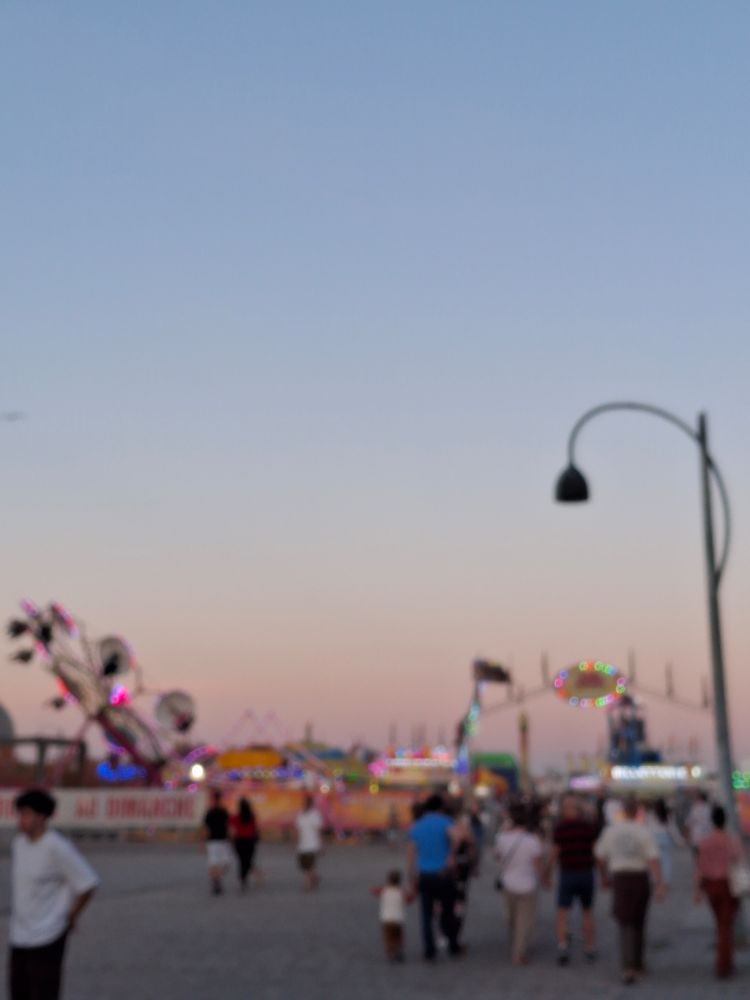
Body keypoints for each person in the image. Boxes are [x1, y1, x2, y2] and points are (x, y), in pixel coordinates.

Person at [9, 787, 98, 1000]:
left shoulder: (58, 847)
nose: (22, 819)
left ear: (42, 816)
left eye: (27, 814)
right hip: (19, 935)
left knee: (44, 992)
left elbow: (88, 883)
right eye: (20, 814)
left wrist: (72, 915)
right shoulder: (19, 844)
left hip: (48, 935)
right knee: (18, 991)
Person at [594, 796, 666, 985]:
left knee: (624, 922)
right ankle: (637, 963)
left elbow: (600, 856)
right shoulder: (643, 831)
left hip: (620, 878)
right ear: (637, 812)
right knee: (639, 921)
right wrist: (659, 883)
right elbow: (653, 859)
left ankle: (628, 966)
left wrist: (603, 877)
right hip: (639, 878)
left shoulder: (611, 831)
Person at [406, 793, 462, 961]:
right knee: (448, 911)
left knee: (426, 914)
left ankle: (429, 949)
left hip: (425, 874)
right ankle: (452, 944)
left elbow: (411, 854)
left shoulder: (417, 826)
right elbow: (457, 837)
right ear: (440, 807)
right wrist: (451, 855)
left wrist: (411, 875)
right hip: (444, 874)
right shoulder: (445, 822)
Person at [549, 793, 599, 965]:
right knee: (587, 912)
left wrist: (546, 873)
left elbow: (554, 854)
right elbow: (596, 853)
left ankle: (563, 946)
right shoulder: (588, 828)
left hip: (568, 874)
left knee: (563, 913)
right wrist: (604, 874)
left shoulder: (560, 829)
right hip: (586, 873)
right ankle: (590, 947)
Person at [694, 804, 742, 979]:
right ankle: (724, 965)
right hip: (728, 885)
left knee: (720, 925)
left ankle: (725, 962)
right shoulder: (731, 841)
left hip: (711, 886)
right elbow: (739, 861)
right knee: (725, 927)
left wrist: (697, 891)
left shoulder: (704, 843)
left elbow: (700, 868)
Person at [494, 801, 545, 966]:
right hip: (528, 884)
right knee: (525, 920)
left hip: (508, 883)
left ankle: (517, 945)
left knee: (512, 918)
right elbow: (537, 864)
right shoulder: (532, 840)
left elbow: (498, 858)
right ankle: (519, 952)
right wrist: (544, 878)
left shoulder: (501, 838)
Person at [370, 869, 409, 962]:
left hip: (386, 919)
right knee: (398, 936)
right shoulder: (401, 892)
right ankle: (399, 951)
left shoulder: (384, 890)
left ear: (388, 880)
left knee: (388, 938)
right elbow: (408, 899)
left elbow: (373, 891)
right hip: (398, 920)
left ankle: (390, 953)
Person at [647, 799, 683, 887]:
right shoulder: (668, 815)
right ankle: (666, 881)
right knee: (666, 861)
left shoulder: (651, 815)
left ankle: (654, 880)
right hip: (665, 839)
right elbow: (673, 829)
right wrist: (679, 841)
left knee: (654, 861)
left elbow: (647, 829)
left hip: (654, 840)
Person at [203, 789, 232, 895]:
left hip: (212, 841)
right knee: (223, 863)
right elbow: (227, 827)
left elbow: (206, 829)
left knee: (214, 862)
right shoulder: (223, 812)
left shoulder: (210, 812)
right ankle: (217, 880)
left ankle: (216, 880)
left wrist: (203, 842)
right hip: (222, 840)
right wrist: (229, 838)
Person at [230, 797, 260, 891]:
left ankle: (243, 879)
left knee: (242, 862)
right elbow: (255, 829)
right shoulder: (251, 816)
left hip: (239, 842)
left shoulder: (235, 817)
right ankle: (245, 879)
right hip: (249, 842)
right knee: (247, 861)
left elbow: (232, 831)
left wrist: (231, 841)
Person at [296, 794, 324, 891]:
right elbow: (299, 830)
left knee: (309, 866)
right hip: (302, 845)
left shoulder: (314, 815)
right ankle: (314, 877)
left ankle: (307, 885)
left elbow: (318, 830)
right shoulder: (300, 814)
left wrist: (320, 844)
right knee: (305, 866)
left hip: (312, 844)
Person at [686, 791, 712, 857]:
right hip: (707, 837)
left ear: (700, 798)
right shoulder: (708, 808)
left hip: (697, 837)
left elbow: (689, 822)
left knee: (699, 856)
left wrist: (688, 834)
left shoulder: (695, 808)